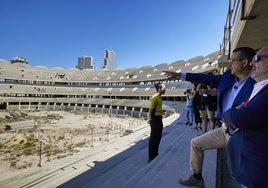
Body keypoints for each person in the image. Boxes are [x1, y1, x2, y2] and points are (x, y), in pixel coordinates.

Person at [163, 47, 256, 187]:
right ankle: (197, 177)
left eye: (232, 61)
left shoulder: (256, 84)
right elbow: (206, 78)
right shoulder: (228, 77)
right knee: (196, 143)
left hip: (243, 135)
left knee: (245, 176)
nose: (229, 64)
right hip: (224, 130)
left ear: (244, 62)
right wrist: (180, 75)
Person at [221, 45, 268, 188]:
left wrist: (227, 114)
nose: (253, 63)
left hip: (257, 172)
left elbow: (241, 117)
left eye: (257, 59)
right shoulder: (259, 86)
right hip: (248, 165)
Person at [148, 82, 166, 163]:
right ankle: (151, 156)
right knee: (154, 137)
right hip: (155, 119)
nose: (165, 89)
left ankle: (155, 153)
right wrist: (150, 120)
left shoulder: (159, 97)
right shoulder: (155, 97)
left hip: (159, 118)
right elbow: (151, 110)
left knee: (158, 136)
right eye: (163, 88)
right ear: (159, 89)